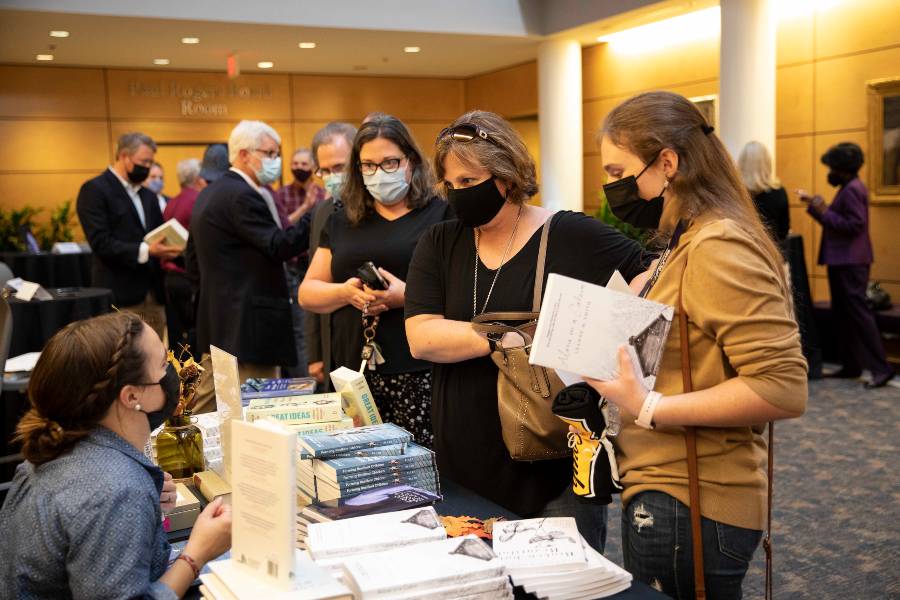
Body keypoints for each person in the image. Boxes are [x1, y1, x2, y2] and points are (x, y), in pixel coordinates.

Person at [591, 91, 807, 598]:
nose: (611, 188)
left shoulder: (716, 243)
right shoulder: (687, 241)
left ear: (667, 163)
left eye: (619, 171)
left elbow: (783, 387)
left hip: (694, 494)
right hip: (670, 486)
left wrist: (648, 405)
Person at [404, 110, 646, 552]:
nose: (459, 194)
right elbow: (422, 337)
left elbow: (652, 272)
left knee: (562, 583)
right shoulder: (440, 242)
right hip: (465, 459)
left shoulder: (568, 233)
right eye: (451, 183)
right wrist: (512, 337)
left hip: (555, 464)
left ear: (506, 175)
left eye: (469, 180)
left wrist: (598, 330)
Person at [0, 312, 231, 599]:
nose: (173, 378)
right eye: (163, 366)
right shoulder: (115, 489)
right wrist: (197, 553)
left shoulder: (57, 453)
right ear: (131, 396)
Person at [299, 114, 449, 447]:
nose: (379, 173)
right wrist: (345, 292)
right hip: (355, 373)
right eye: (368, 165)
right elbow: (308, 292)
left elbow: (464, 293)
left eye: (389, 162)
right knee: (362, 473)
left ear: (411, 161)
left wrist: (405, 296)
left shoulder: (440, 214)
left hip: (419, 369)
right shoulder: (343, 219)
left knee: (421, 470)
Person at [188, 120, 310, 412]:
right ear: (244, 154)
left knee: (209, 407)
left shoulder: (209, 193)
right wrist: (317, 213)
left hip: (217, 322)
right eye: (269, 153)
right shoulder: (242, 196)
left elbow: (190, 259)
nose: (275, 161)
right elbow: (278, 245)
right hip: (249, 328)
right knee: (256, 412)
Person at [800, 142, 894, 388]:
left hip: (850, 261)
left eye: (831, 167)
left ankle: (881, 368)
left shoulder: (852, 189)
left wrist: (821, 209)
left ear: (842, 168)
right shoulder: (849, 187)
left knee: (859, 315)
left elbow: (853, 225)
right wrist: (818, 207)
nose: (829, 172)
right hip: (844, 260)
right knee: (845, 316)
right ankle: (852, 365)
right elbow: (840, 221)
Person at [77, 132, 180, 342]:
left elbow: (158, 233)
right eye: (144, 161)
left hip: (154, 295)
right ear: (124, 156)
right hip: (120, 294)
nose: (148, 167)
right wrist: (147, 251)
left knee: (155, 357)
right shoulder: (95, 190)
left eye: (151, 162)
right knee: (124, 359)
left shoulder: (148, 195)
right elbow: (101, 242)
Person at [305, 122, 357, 389]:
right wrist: (315, 353)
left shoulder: (378, 210)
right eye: (324, 170)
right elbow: (313, 283)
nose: (331, 177)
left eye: (338, 168)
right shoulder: (322, 212)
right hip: (329, 342)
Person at [162, 158, 206, 352]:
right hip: (189, 276)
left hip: (171, 276)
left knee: (177, 335)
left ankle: (181, 378)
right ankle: (194, 379)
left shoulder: (171, 202)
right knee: (195, 333)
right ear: (198, 178)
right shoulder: (198, 200)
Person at [737, 140, 789, 241]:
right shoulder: (779, 192)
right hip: (770, 253)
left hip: (741, 251)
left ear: (742, 163)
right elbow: (784, 231)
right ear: (767, 163)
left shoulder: (736, 193)